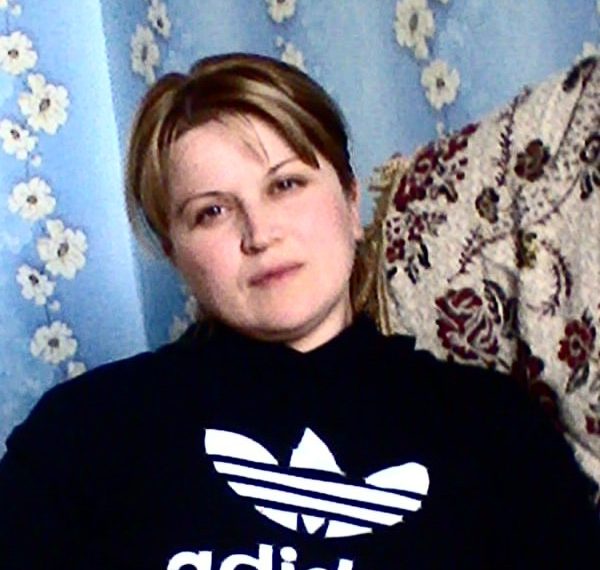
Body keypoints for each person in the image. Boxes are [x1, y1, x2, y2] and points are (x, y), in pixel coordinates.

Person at [0, 53, 597, 569]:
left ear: (351, 200)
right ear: (173, 252)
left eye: (285, 185)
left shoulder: (493, 429)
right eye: (211, 212)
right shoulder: (84, 436)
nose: (260, 233)